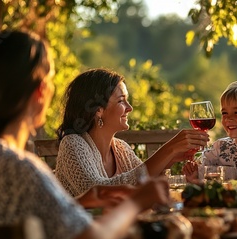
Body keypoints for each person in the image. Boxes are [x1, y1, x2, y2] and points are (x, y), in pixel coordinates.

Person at [0, 30, 169, 239]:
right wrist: (135, 202)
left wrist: (79, 201)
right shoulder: (23, 168)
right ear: (41, 91)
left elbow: (27, 214)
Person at [54, 68, 209, 198]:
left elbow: (144, 183)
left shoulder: (121, 149)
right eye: (121, 101)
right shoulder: (72, 144)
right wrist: (168, 149)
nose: (130, 108)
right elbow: (99, 193)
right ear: (98, 110)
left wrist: (172, 162)